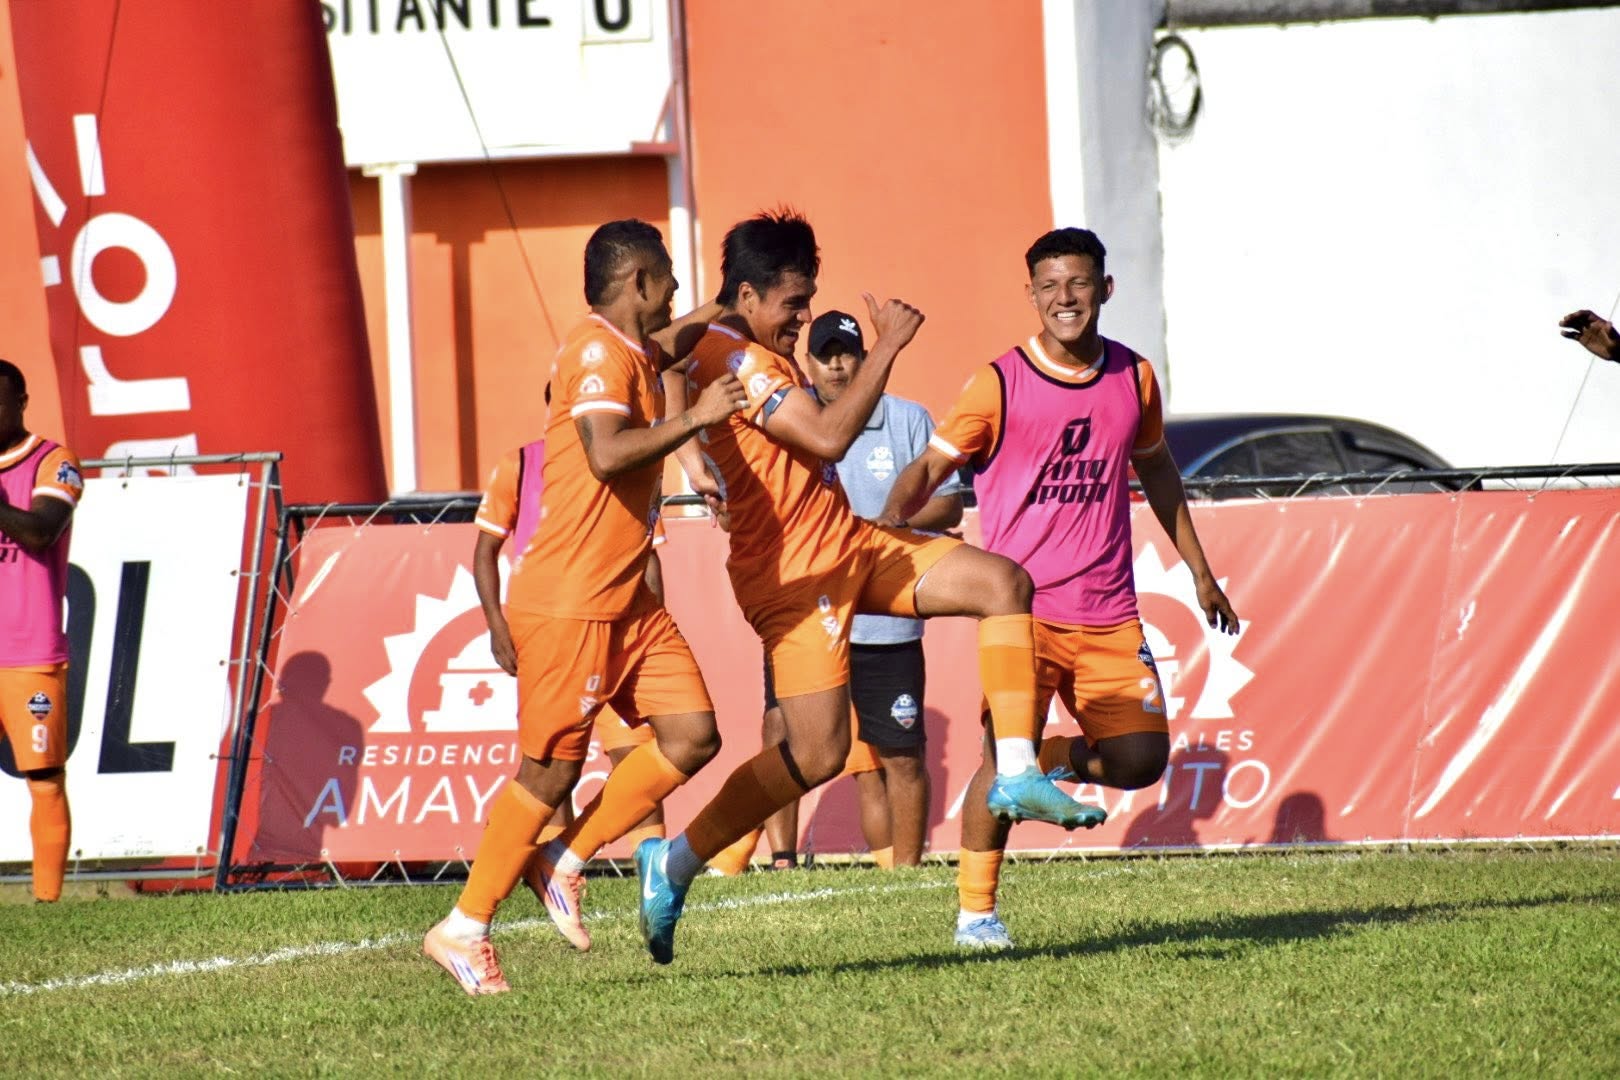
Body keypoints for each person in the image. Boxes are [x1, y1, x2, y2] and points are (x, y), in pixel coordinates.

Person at [633, 209, 1102, 966]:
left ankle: (1015, 770)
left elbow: (659, 349)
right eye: (793, 304)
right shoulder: (734, 357)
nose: (805, 319)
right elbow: (826, 438)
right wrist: (886, 346)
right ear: (749, 297)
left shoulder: (734, 337)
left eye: (809, 300)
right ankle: (678, 861)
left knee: (1002, 583)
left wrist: (720, 310)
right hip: (795, 577)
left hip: (848, 543)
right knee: (817, 755)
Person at [879, 227, 1240, 949]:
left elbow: (1159, 470)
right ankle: (976, 915)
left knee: (1140, 763)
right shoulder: (999, 382)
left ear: (1105, 289)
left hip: (1108, 616)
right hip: (1023, 617)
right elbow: (929, 466)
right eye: (1049, 287)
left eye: (1078, 284)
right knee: (993, 767)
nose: (1064, 299)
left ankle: (1046, 761)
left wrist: (1200, 570)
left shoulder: (1134, 378)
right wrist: (893, 521)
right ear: (1032, 296)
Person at [423, 220, 747, 995]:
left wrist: (719, 306)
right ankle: (464, 927)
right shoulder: (596, 349)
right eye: (667, 278)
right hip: (570, 599)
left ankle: (563, 858)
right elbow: (605, 453)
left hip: (627, 597)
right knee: (549, 768)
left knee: (693, 735)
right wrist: (697, 422)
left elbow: (667, 346)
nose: (672, 291)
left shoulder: (633, 348)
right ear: (637, 280)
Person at [712, 311, 964, 873]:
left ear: (864, 356)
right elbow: (741, 491)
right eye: (824, 354)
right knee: (783, 732)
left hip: (884, 617)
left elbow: (950, 501)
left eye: (847, 352)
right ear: (807, 362)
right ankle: (780, 859)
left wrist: (891, 518)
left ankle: (903, 873)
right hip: (806, 603)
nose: (836, 364)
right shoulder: (783, 413)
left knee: (896, 755)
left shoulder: (906, 419)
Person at [470, 438, 670, 902]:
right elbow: (486, 550)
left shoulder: (628, 460)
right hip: (555, 639)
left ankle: (653, 883)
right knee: (553, 769)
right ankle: (540, 885)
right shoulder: (520, 463)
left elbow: (650, 558)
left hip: (620, 636)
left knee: (637, 756)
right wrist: (497, 627)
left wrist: (652, 630)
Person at [0, 359, 83, 903]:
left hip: (28, 652)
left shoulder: (54, 461)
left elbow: (39, 530)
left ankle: (48, 904)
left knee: (44, 776)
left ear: (22, 401)